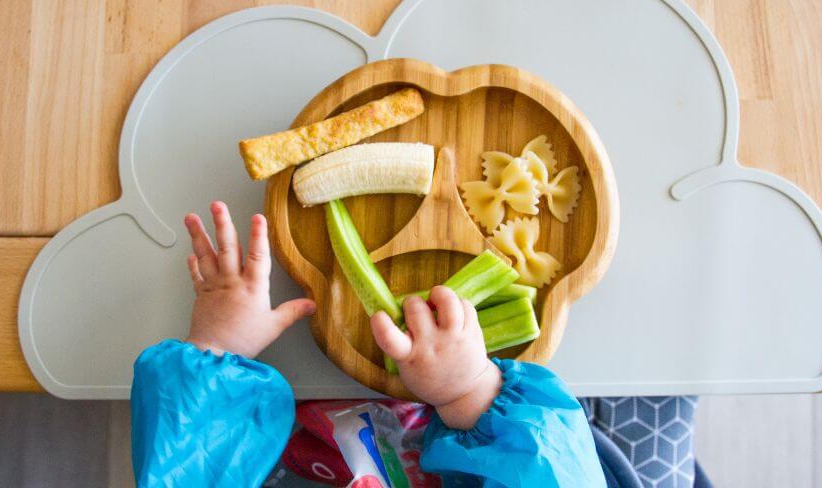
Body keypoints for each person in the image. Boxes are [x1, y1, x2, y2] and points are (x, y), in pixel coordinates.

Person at [130, 201, 606, 487]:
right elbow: (551, 471)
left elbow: (185, 468)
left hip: (271, 436)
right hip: (492, 438)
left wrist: (217, 347)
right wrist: (469, 390)